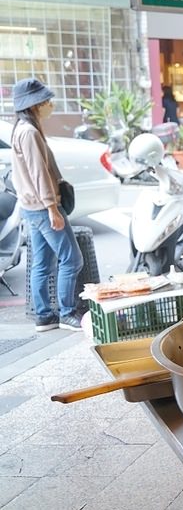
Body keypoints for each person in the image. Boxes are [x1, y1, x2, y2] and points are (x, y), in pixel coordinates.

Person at [10, 78, 84, 331]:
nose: (49, 105)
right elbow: (39, 173)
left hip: (31, 208)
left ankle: (44, 316)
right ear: (35, 105)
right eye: (46, 101)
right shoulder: (29, 132)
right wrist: (52, 208)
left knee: (42, 263)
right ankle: (66, 312)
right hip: (43, 208)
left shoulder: (21, 128)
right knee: (72, 260)